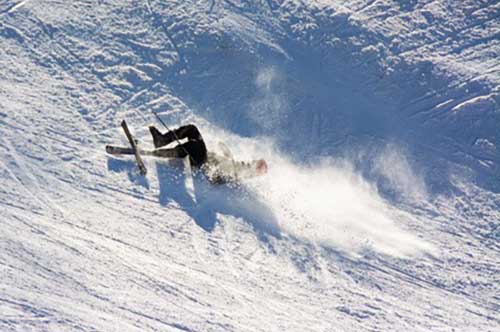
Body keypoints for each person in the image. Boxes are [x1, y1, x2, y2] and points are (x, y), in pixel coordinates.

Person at [149, 124, 268, 183]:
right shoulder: (237, 166)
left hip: (202, 164)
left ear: (255, 170)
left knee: (194, 146)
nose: (252, 161)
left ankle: (163, 153)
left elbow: (220, 179)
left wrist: (214, 173)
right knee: (192, 130)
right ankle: (162, 141)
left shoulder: (239, 174)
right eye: (255, 161)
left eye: (255, 163)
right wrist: (226, 152)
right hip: (203, 157)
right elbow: (227, 163)